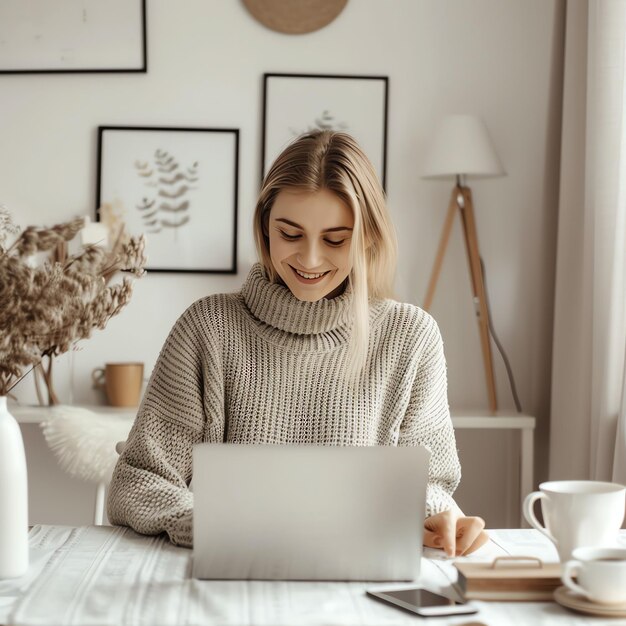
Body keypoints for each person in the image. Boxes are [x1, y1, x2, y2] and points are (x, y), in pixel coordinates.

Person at [107, 130, 488, 558]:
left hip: (358, 585)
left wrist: (439, 517)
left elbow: (431, 484)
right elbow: (137, 481)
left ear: (367, 238)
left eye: (335, 239)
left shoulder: (411, 337)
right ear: (265, 228)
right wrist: (203, 522)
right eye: (290, 234)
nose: (309, 260)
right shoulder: (208, 328)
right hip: (229, 576)